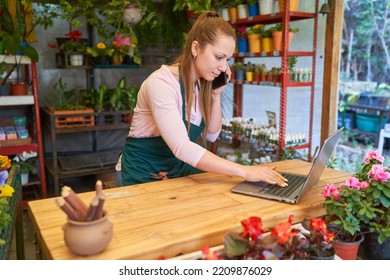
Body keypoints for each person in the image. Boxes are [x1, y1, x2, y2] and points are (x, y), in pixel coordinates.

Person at [117, 11, 287, 188]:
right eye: (219, 57)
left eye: (227, 59)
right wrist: (244, 170)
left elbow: (212, 135)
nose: (223, 67)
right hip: (142, 172)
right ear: (196, 48)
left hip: (174, 168)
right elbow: (181, 147)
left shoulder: (201, 83)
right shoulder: (161, 84)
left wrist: (216, 95)